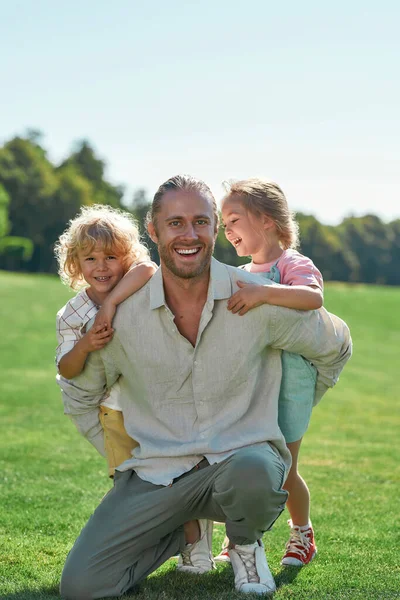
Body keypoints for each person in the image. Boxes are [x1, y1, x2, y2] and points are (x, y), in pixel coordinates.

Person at [58, 175, 352, 598]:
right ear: (154, 231)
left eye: (200, 221)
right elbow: (78, 390)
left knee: (254, 471)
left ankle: (245, 546)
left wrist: (291, 412)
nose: (189, 234)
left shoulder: (254, 295)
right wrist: (118, 456)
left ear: (215, 228)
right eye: (175, 223)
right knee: (83, 587)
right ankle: (182, 535)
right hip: (157, 472)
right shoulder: (121, 316)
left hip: (241, 462)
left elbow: (333, 345)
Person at [214, 178, 323, 567]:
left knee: (285, 466)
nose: (226, 231)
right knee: (241, 461)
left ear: (266, 220)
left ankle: (302, 534)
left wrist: (262, 292)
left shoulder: (292, 264)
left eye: (233, 220)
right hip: (253, 379)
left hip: (291, 380)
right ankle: (239, 537)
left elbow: (313, 298)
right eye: (223, 224)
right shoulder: (239, 272)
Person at [54, 204, 156, 476]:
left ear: (126, 258)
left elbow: (148, 268)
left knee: (157, 462)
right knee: (130, 470)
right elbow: (66, 369)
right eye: (90, 259)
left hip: (126, 396)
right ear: (75, 263)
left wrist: (110, 303)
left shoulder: (133, 290)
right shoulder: (72, 314)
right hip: (89, 404)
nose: (101, 267)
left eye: (111, 257)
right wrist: (85, 344)